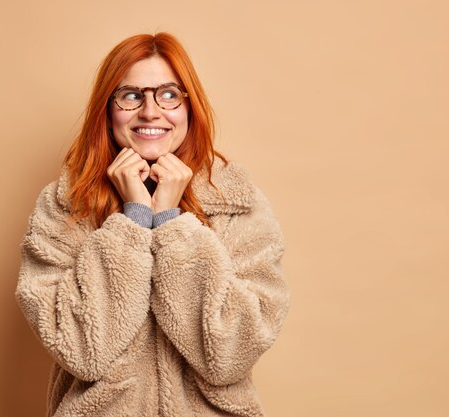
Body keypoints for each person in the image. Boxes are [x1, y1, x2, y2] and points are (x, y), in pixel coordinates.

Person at [15, 32, 290, 417]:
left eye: (168, 94)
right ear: (107, 109)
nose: (149, 112)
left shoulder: (236, 204)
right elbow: (82, 351)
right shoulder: (64, 207)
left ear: (189, 107)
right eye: (131, 95)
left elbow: (228, 356)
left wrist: (170, 224)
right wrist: (134, 221)